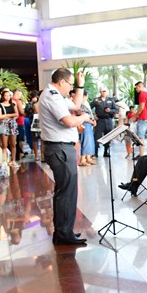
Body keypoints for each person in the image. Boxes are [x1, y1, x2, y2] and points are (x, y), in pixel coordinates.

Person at [38, 67, 92, 246]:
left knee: (68, 191)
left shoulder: (56, 95)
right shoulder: (52, 96)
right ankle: (63, 233)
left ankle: (65, 231)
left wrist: (80, 85)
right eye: (70, 84)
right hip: (59, 148)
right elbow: (69, 121)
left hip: (62, 147)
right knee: (66, 192)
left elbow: (75, 106)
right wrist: (84, 117)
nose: (71, 88)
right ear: (61, 82)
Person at [0, 89, 20, 168]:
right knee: (4, 145)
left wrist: (6, 116)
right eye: (5, 95)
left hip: (12, 124)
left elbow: (17, 114)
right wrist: (10, 115)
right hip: (4, 125)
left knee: (13, 144)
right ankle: (5, 161)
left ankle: (13, 160)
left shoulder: (13, 104)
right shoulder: (0, 105)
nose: (7, 97)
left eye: (8, 95)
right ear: (3, 96)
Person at [91, 87, 118, 157]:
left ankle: (106, 151)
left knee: (108, 136)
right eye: (102, 91)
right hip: (99, 120)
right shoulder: (96, 100)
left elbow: (116, 110)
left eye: (105, 91)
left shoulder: (111, 100)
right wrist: (93, 115)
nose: (104, 92)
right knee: (97, 136)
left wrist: (110, 111)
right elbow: (89, 108)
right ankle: (95, 152)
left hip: (108, 120)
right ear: (100, 92)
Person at [77, 91, 98, 167]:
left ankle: (88, 158)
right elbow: (82, 115)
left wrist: (93, 120)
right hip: (85, 123)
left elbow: (90, 114)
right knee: (85, 141)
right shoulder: (80, 104)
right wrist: (91, 122)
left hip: (90, 124)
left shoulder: (86, 103)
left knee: (90, 141)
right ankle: (82, 159)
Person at [133, 81, 147, 156]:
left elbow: (141, 107)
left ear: (140, 86)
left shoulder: (142, 94)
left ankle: (141, 155)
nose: (136, 90)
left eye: (137, 88)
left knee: (140, 137)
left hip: (143, 118)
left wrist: (136, 116)